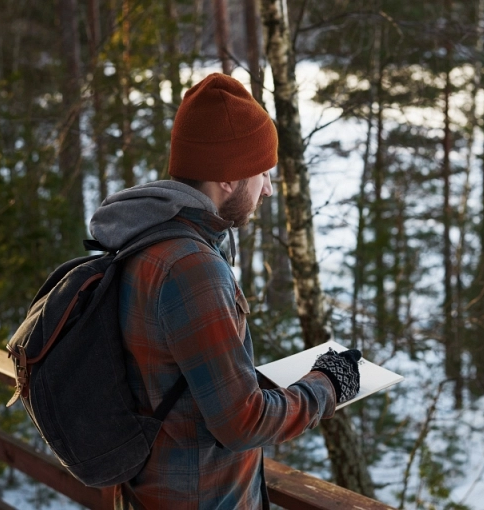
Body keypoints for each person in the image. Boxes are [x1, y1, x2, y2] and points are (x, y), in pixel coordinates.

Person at [88, 73, 361, 510]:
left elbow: (178, 378)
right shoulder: (190, 267)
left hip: (153, 492)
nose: (268, 188)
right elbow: (242, 423)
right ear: (229, 179)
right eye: (262, 173)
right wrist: (328, 384)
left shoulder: (146, 240)